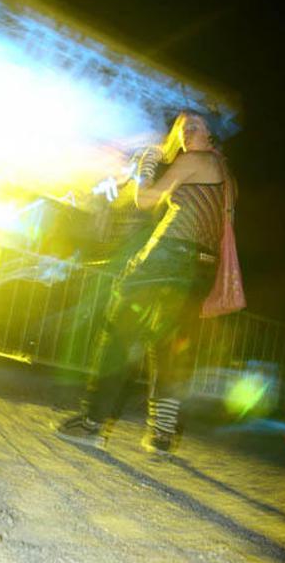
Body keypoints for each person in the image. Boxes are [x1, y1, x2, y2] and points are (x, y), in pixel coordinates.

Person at [55, 111, 239, 453]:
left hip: (170, 256)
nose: (187, 132)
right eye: (182, 127)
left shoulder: (196, 160)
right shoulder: (228, 178)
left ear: (211, 134)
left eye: (195, 126)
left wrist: (145, 168)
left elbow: (145, 199)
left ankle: (92, 423)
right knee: (168, 345)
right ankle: (162, 433)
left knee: (120, 331)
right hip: (201, 267)